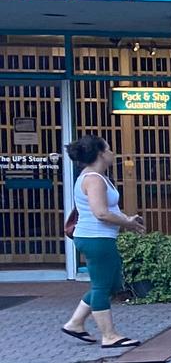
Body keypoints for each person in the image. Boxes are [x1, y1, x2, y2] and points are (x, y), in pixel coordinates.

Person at [61, 135, 147, 349]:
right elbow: (101, 213)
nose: (112, 152)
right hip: (95, 238)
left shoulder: (97, 177)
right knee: (101, 287)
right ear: (100, 153)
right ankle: (109, 335)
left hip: (100, 237)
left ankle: (76, 323)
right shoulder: (93, 179)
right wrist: (127, 223)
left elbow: (108, 210)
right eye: (108, 149)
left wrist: (126, 219)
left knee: (112, 284)